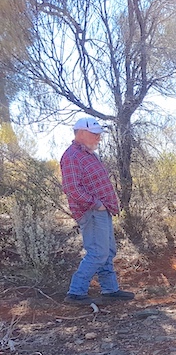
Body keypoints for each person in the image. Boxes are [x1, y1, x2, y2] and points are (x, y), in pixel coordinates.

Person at [60, 117, 134, 305]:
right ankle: (76, 292)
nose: (98, 138)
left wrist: (104, 205)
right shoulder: (71, 156)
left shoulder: (87, 154)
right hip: (91, 211)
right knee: (98, 253)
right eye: (95, 134)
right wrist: (96, 204)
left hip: (101, 210)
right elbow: (72, 188)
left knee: (107, 251)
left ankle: (110, 290)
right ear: (81, 133)